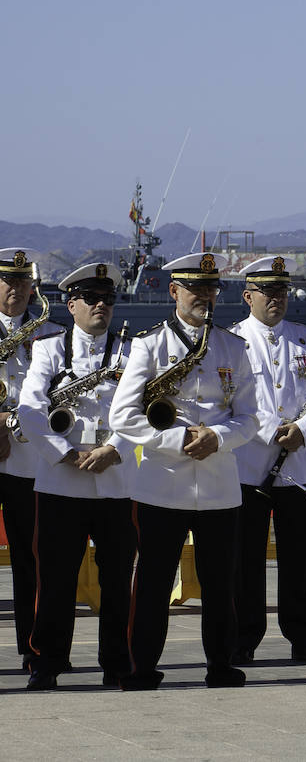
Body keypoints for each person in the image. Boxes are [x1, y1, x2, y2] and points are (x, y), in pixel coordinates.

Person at [108, 252, 261, 689]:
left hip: (218, 484)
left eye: (211, 289)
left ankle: (221, 664)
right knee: (153, 584)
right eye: (195, 289)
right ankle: (141, 668)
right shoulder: (149, 344)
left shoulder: (233, 346)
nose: (205, 297)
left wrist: (218, 437)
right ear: (174, 291)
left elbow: (250, 416)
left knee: (221, 586)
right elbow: (124, 416)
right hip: (163, 484)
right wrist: (177, 440)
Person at [17, 263, 134, 689]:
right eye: (92, 298)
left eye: (108, 299)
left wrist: (114, 449)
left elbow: (140, 410)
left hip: (115, 483)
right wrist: (64, 454)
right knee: (55, 581)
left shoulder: (130, 351)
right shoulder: (48, 350)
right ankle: (47, 662)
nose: (102, 305)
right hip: (61, 482)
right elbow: (29, 411)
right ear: (71, 305)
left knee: (118, 581)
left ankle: (117, 663)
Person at [228, 255, 306, 665]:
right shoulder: (233, 341)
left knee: (299, 564)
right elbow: (232, 399)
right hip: (250, 469)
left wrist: (304, 430)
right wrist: (272, 428)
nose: (276, 299)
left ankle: (303, 637)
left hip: (301, 470)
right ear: (248, 296)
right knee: (246, 563)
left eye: (282, 291)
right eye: (268, 292)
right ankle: (244, 637)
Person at [0, 247, 57, 675]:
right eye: (7, 280)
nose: (15, 289)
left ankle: (33, 649)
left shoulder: (51, 335)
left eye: (22, 282)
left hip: (25, 460)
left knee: (30, 559)